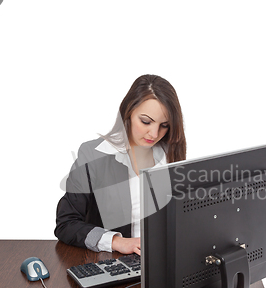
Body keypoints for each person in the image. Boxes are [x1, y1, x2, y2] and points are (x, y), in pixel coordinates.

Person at [55, 75, 187, 255]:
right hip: (116, 263)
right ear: (128, 112)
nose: (154, 133)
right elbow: (66, 224)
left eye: (164, 125)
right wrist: (117, 242)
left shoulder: (169, 153)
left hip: (166, 258)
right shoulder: (93, 155)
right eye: (146, 122)